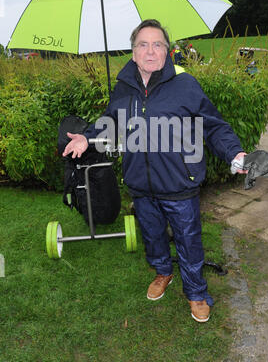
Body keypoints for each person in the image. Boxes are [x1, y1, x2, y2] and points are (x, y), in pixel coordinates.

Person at [62, 19, 247, 323]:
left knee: (188, 240)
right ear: (133, 52)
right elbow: (111, 121)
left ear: (167, 51)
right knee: (152, 235)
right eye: (143, 45)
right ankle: (163, 272)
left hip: (179, 183)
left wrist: (234, 153)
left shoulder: (185, 85)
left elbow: (214, 126)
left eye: (157, 44)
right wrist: (87, 136)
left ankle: (197, 292)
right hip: (140, 183)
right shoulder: (123, 87)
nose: (150, 51)